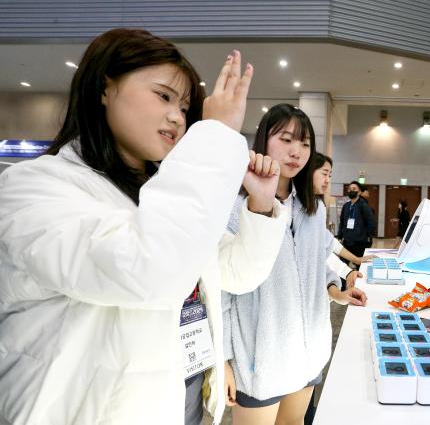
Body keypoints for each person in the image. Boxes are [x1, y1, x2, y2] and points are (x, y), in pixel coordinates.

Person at [0, 29, 289, 425]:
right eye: (164, 96)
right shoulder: (34, 187)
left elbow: (236, 273)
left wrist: (259, 203)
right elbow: (149, 270)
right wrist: (215, 137)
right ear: (106, 87)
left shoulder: (157, 195)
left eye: (185, 108)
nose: (177, 116)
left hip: (177, 395)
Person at [222, 104, 368, 425]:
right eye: (286, 139)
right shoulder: (236, 207)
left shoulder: (312, 210)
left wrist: (337, 291)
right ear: (264, 141)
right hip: (259, 359)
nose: (296, 151)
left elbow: (318, 266)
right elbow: (220, 291)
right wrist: (222, 360)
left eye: (304, 144)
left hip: (308, 354)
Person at [310, 152, 374, 289]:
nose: (328, 180)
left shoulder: (318, 205)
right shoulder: (344, 205)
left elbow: (326, 242)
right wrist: (341, 235)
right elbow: (326, 243)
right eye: (324, 174)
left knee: (357, 270)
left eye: (330, 175)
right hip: (347, 240)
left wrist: (365, 238)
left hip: (359, 242)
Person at [337, 180, 375, 260]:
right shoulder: (346, 206)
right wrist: (340, 236)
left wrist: (366, 236)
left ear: (359, 192)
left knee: (359, 266)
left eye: (354, 189)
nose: (351, 190)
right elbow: (342, 222)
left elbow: (371, 222)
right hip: (347, 242)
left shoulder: (363, 205)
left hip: (360, 243)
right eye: (349, 189)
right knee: (344, 264)